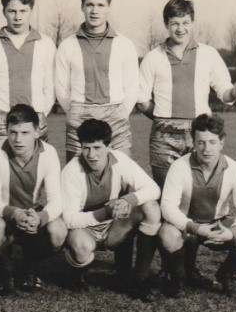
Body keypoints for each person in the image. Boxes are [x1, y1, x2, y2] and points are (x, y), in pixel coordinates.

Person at [137, 0, 236, 189]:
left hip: (199, 133)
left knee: (199, 193)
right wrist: (163, 118)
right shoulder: (153, 57)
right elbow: (142, 100)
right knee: (167, 195)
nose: (180, 29)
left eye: (185, 22)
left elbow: (224, 90)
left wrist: (235, 93)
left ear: (193, 22)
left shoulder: (208, 54)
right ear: (166, 24)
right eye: (175, 23)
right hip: (163, 137)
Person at [158, 114, 236, 298]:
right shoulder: (179, 167)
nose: (207, 149)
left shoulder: (235, 170)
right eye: (201, 143)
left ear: (221, 142)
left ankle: (225, 275)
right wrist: (194, 227)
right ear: (193, 142)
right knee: (168, 234)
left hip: (217, 224)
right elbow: (167, 206)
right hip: (186, 226)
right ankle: (177, 277)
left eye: (212, 142)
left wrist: (232, 232)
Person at [61, 119, 161, 302]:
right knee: (82, 247)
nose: (91, 155)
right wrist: (105, 212)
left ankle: (139, 279)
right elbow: (69, 219)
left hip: (114, 226)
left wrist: (127, 199)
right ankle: (77, 272)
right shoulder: (72, 171)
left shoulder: (119, 159)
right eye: (86, 148)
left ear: (109, 146)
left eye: (97, 148)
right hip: (85, 229)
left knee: (151, 208)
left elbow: (153, 189)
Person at [0, 104, 67, 294]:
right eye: (13, 132)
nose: (18, 139)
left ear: (37, 132)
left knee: (59, 232)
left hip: (33, 213)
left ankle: (30, 266)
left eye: (25, 133)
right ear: (6, 131)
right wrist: (14, 213)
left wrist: (40, 218)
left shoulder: (48, 153)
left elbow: (56, 200)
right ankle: (5, 271)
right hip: (4, 213)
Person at [55, 0, 140, 163]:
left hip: (116, 116)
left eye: (100, 5)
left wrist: (120, 113)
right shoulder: (67, 46)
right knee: (77, 174)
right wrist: (75, 111)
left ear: (108, 7)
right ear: (82, 6)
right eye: (90, 5)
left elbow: (132, 87)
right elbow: (61, 89)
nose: (95, 11)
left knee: (121, 171)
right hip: (79, 116)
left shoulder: (124, 44)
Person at [0, 0, 56, 141]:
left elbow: (50, 87)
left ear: (31, 11)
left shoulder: (46, 44)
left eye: (23, 11)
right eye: (12, 11)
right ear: (4, 12)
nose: (17, 17)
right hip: (1, 123)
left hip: (35, 121)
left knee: (38, 158)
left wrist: (40, 115)